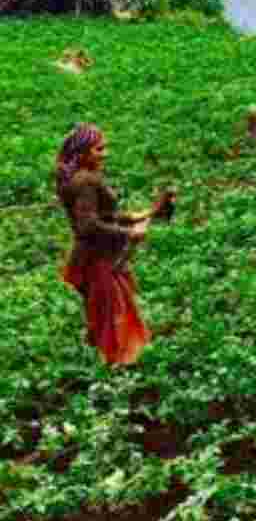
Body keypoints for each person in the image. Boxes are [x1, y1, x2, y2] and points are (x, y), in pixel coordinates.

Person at [54, 124, 175, 366]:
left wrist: (141, 215)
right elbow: (88, 226)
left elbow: (104, 215)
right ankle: (118, 363)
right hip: (96, 257)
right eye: (98, 149)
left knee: (107, 310)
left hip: (95, 255)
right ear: (83, 153)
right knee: (113, 313)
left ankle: (109, 358)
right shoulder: (85, 182)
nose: (104, 153)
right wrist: (129, 234)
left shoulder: (83, 178)